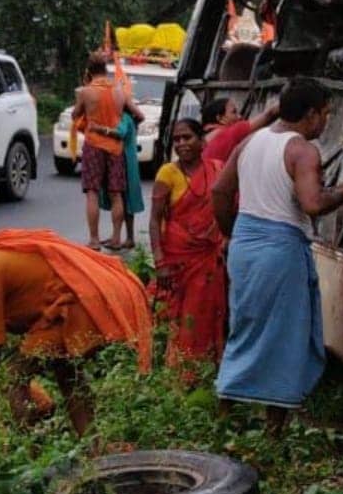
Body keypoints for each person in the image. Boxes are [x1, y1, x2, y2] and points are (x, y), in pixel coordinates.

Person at [212, 78, 343, 434]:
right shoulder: (301, 150)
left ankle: (224, 416)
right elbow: (313, 204)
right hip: (279, 250)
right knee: (284, 338)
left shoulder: (252, 140)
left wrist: (232, 232)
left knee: (245, 329)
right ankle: (273, 432)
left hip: (245, 247)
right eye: (326, 114)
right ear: (311, 114)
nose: (327, 121)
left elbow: (220, 190)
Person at [0, 222, 152, 434]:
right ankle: (93, 442)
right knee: (66, 372)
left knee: (14, 377)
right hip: (87, 300)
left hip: (79, 305)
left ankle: (31, 451)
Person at [149, 118, 227, 367]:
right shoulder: (167, 173)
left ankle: (204, 366)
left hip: (208, 257)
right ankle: (178, 367)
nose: (181, 143)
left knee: (205, 312)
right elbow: (154, 220)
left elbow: (227, 208)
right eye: (177, 139)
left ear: (202, 141)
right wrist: (159, 261)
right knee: (177, 313)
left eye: (187, 137)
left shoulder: (217, 169)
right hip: (177, 257)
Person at [72, 51, 143, 250]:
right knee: (116, 193)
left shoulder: (85, 92)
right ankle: (116, 238)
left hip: (94, 144)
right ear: (106, 69)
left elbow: (76, 114)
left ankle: (94, 239)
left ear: (89, 71)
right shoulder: (120, 91)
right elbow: (138, 115)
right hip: (116, 148)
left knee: (92, 192)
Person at [90, 108, 144, 249]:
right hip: (123, 160)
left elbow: (120, 133)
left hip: (125, 162)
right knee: (122, 199)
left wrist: (99, 129)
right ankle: (118, 236)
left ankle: (127, 237)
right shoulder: (123, 116)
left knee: (125, 199)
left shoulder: (124, 117)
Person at [201, 97, 281, 165]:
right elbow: (270, 114)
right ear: (220, 118)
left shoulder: (202, 138)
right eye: (234, 112)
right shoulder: (230, 132)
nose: (240, 116)